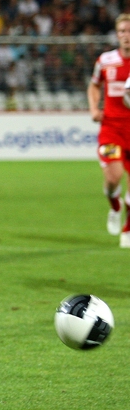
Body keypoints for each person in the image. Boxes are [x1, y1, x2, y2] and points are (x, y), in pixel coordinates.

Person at [87, 14, 130, 247]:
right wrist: (94, 107)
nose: (127, 36)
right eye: (123, 31)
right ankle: (115, 208)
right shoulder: (105, 60)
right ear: (117, 34)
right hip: (112, 128)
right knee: (113, 178)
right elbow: (93, 85)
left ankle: (128, 229)